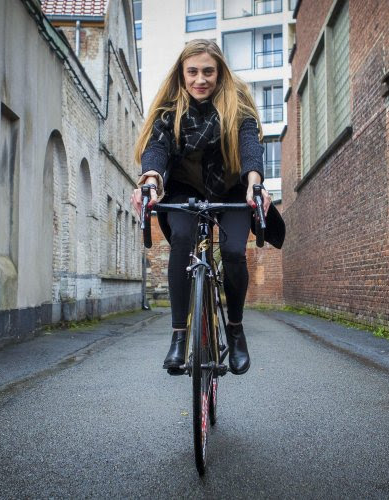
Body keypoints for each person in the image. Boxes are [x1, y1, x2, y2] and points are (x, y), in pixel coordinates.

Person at [131, 39, 271, 376]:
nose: (200, 79)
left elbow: (251, 147)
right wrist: (150, 179)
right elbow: (156, 151)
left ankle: (235, 332)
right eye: (192, 72)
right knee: (181, 239)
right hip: (184, 194)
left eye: (208, 71)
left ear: (220, 72)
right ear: (181, 74)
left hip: (233, 192)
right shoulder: (169, 113)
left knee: (235, 251)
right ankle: (179, 337)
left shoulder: (239, 109)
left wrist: (255, 183)